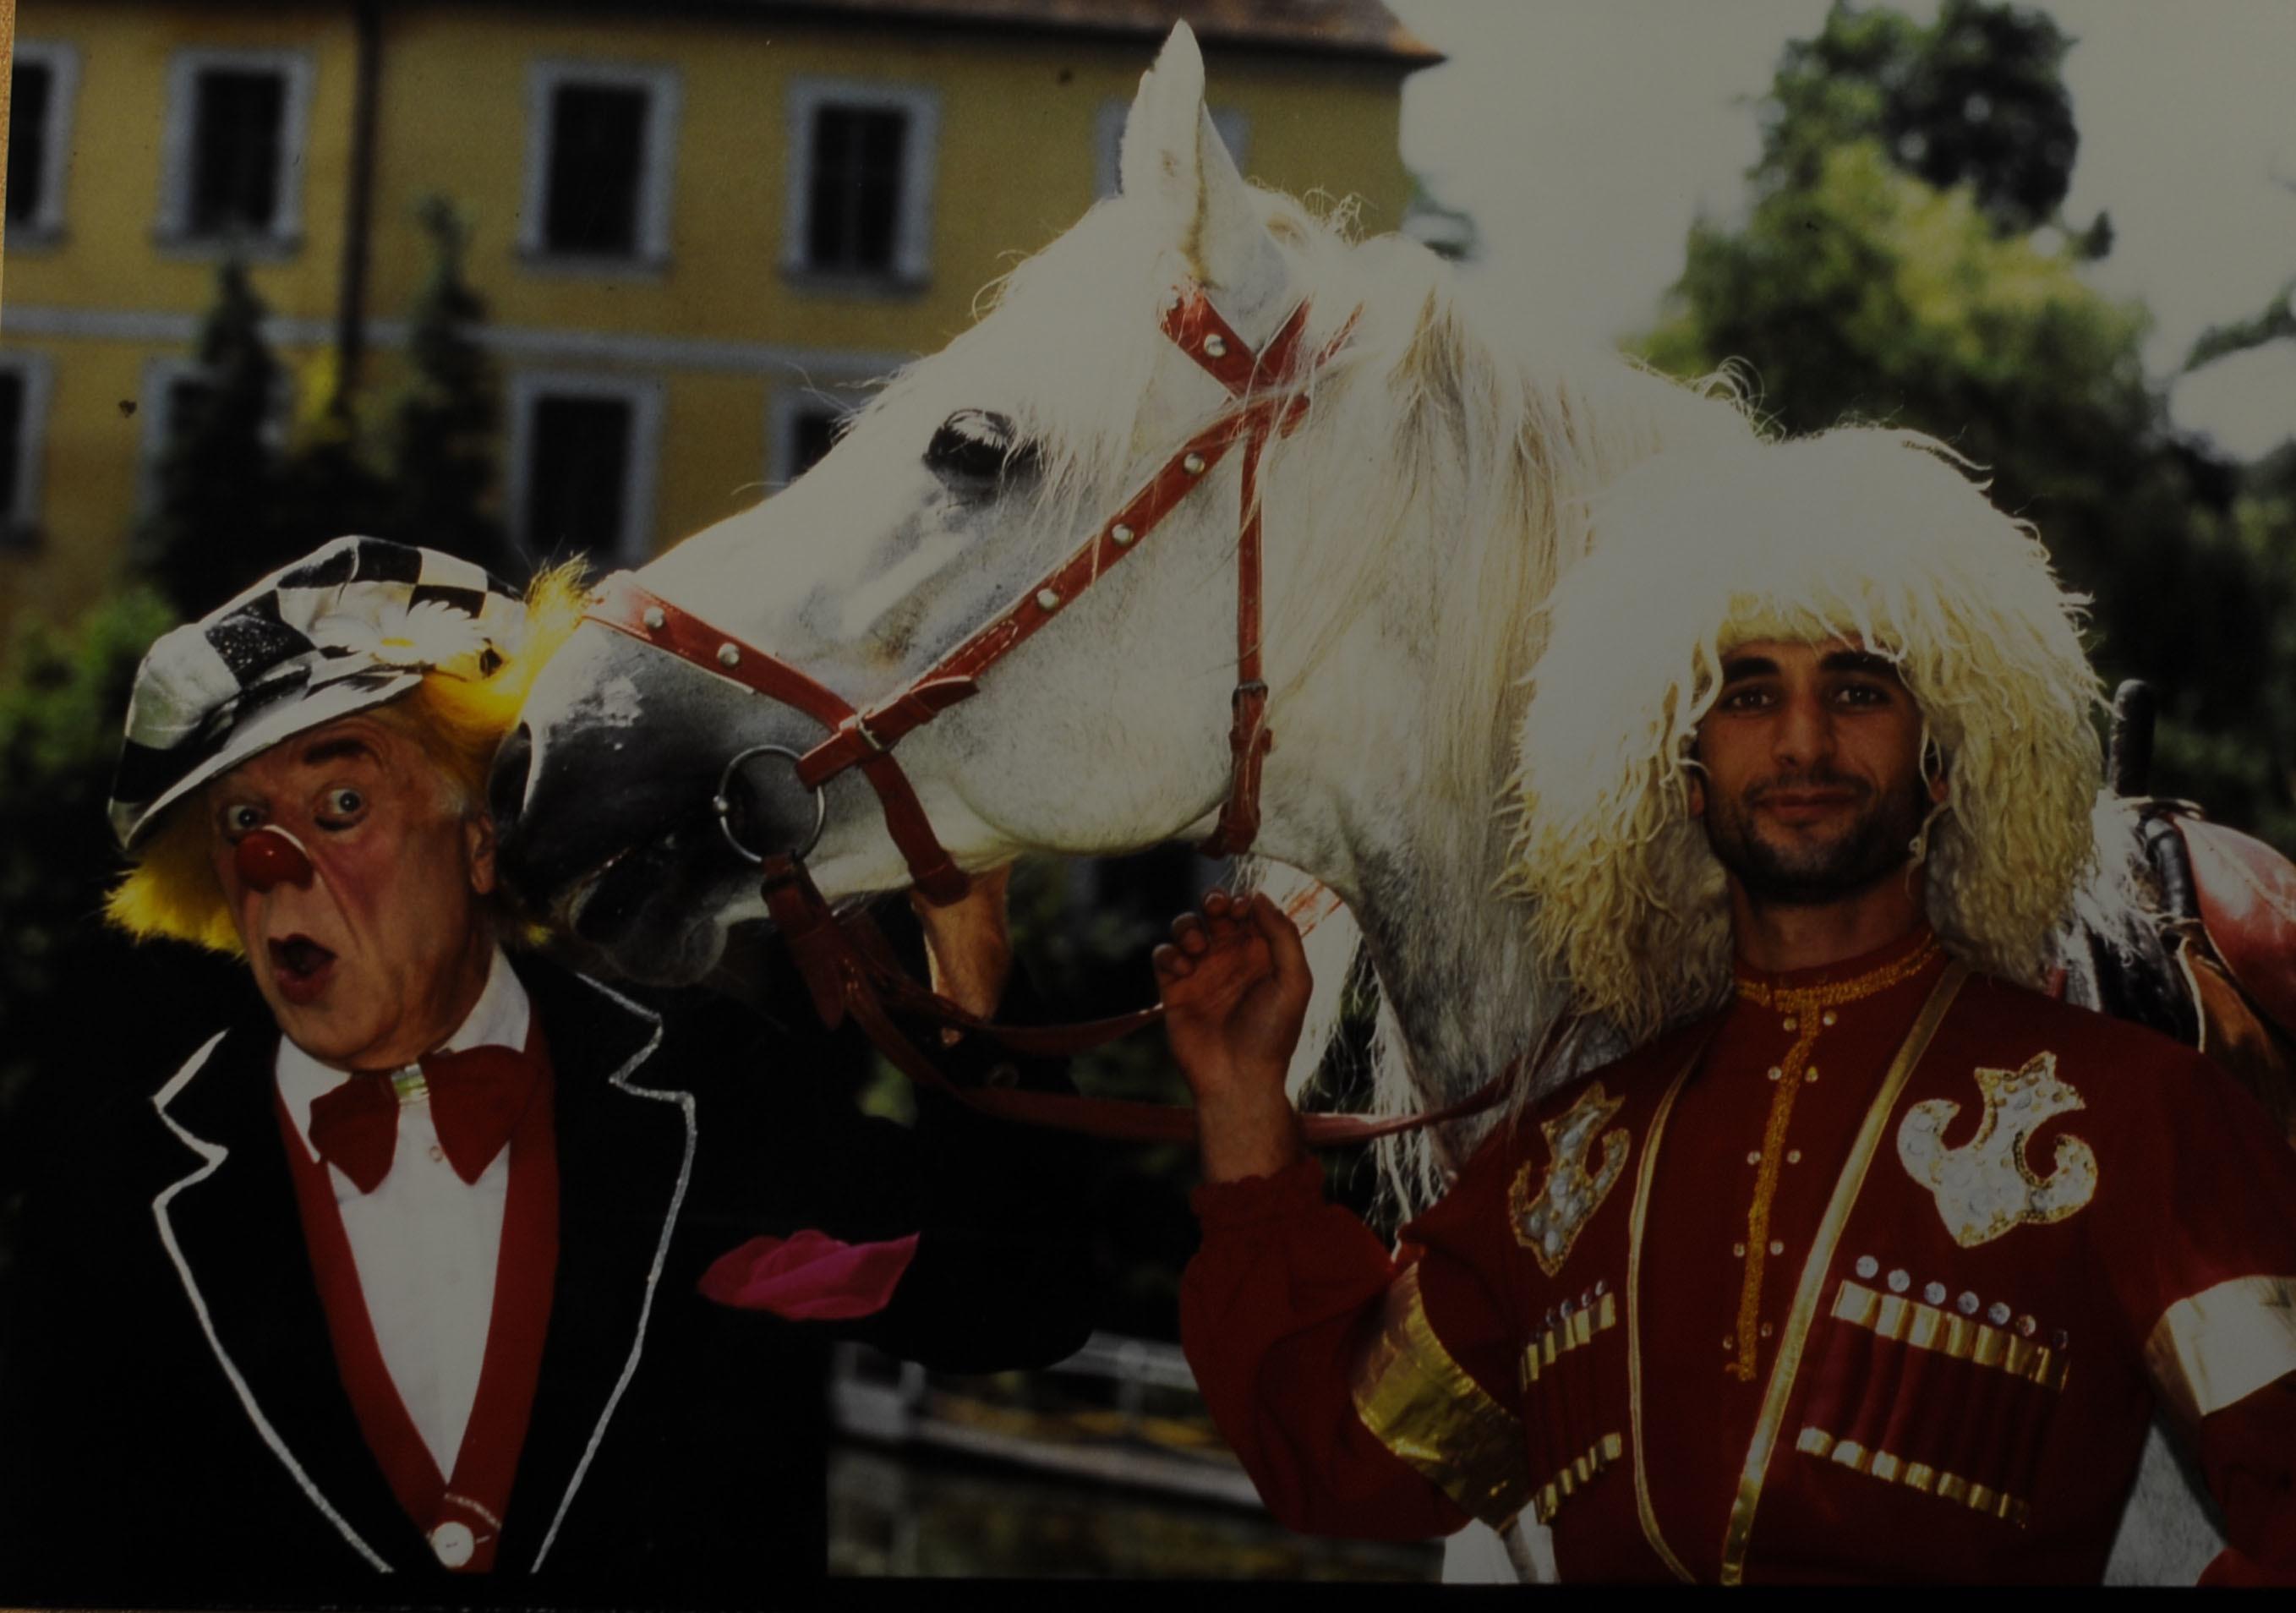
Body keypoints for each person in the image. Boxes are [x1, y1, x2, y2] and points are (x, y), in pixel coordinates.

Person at [1156, 430, 2296, 1584]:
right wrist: (1244, 1098)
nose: (1803, 740)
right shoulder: (1568, 1162)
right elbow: (1343, 1455)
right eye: (1748, 694)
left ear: (1944, 763)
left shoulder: (2140, 1117)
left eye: (1858, 690)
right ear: (1685, 773)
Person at [0, 537, 1095, 1608]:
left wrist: (965, 937)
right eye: (245, 821)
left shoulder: (704, 1098)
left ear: (481, 841)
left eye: (342, 807)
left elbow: (1013, 1299)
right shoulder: (127, 1177)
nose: (277, 870)